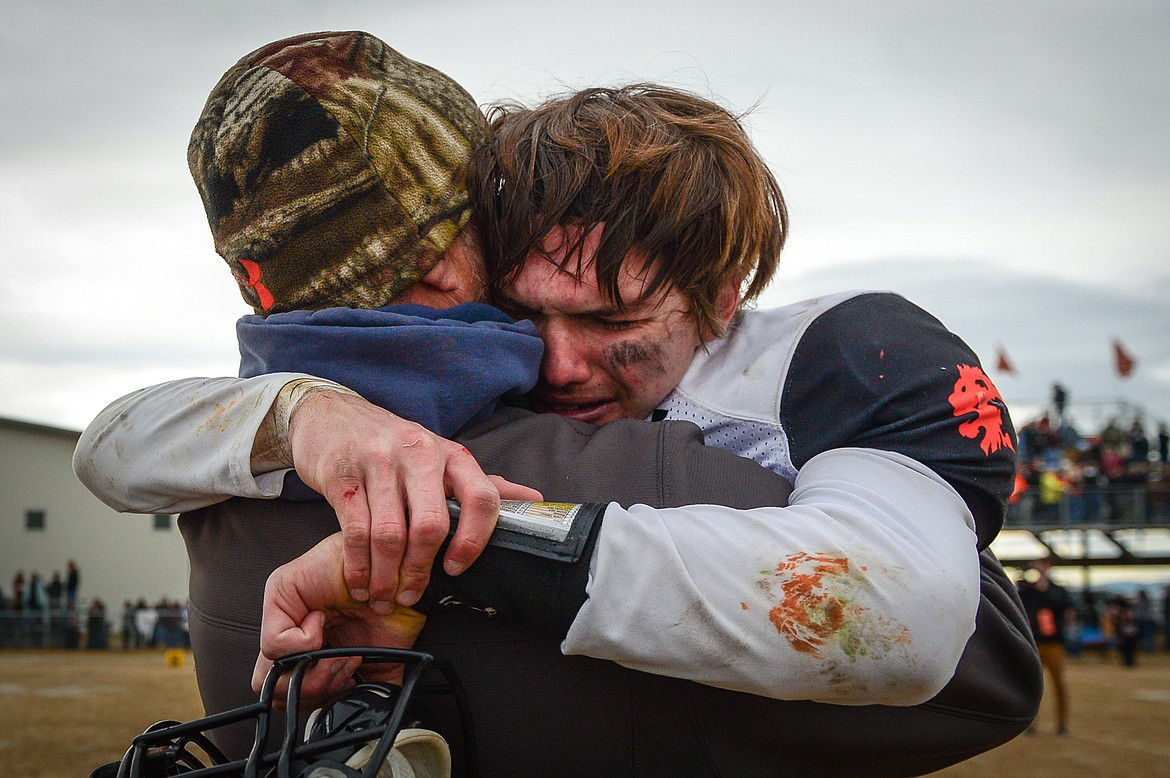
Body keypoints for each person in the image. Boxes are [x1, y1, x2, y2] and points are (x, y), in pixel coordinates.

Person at [74, 31, 1039, 776]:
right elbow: (119, 443)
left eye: (611, 318)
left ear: (722, 293)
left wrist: (463, 535)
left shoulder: (847, 357)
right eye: (528, 312)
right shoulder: (474, 351)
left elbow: (906, 619)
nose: (557, 363)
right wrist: (313, 417)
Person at [1017, 558, 1074, 735]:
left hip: (1054, 642)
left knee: (1058, 684)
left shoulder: (1058, 591)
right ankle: (1031, 723)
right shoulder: (1028, 591)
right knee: (1033, 685)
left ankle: (1062, 723)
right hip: (1035, 642)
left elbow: (1067, 611)